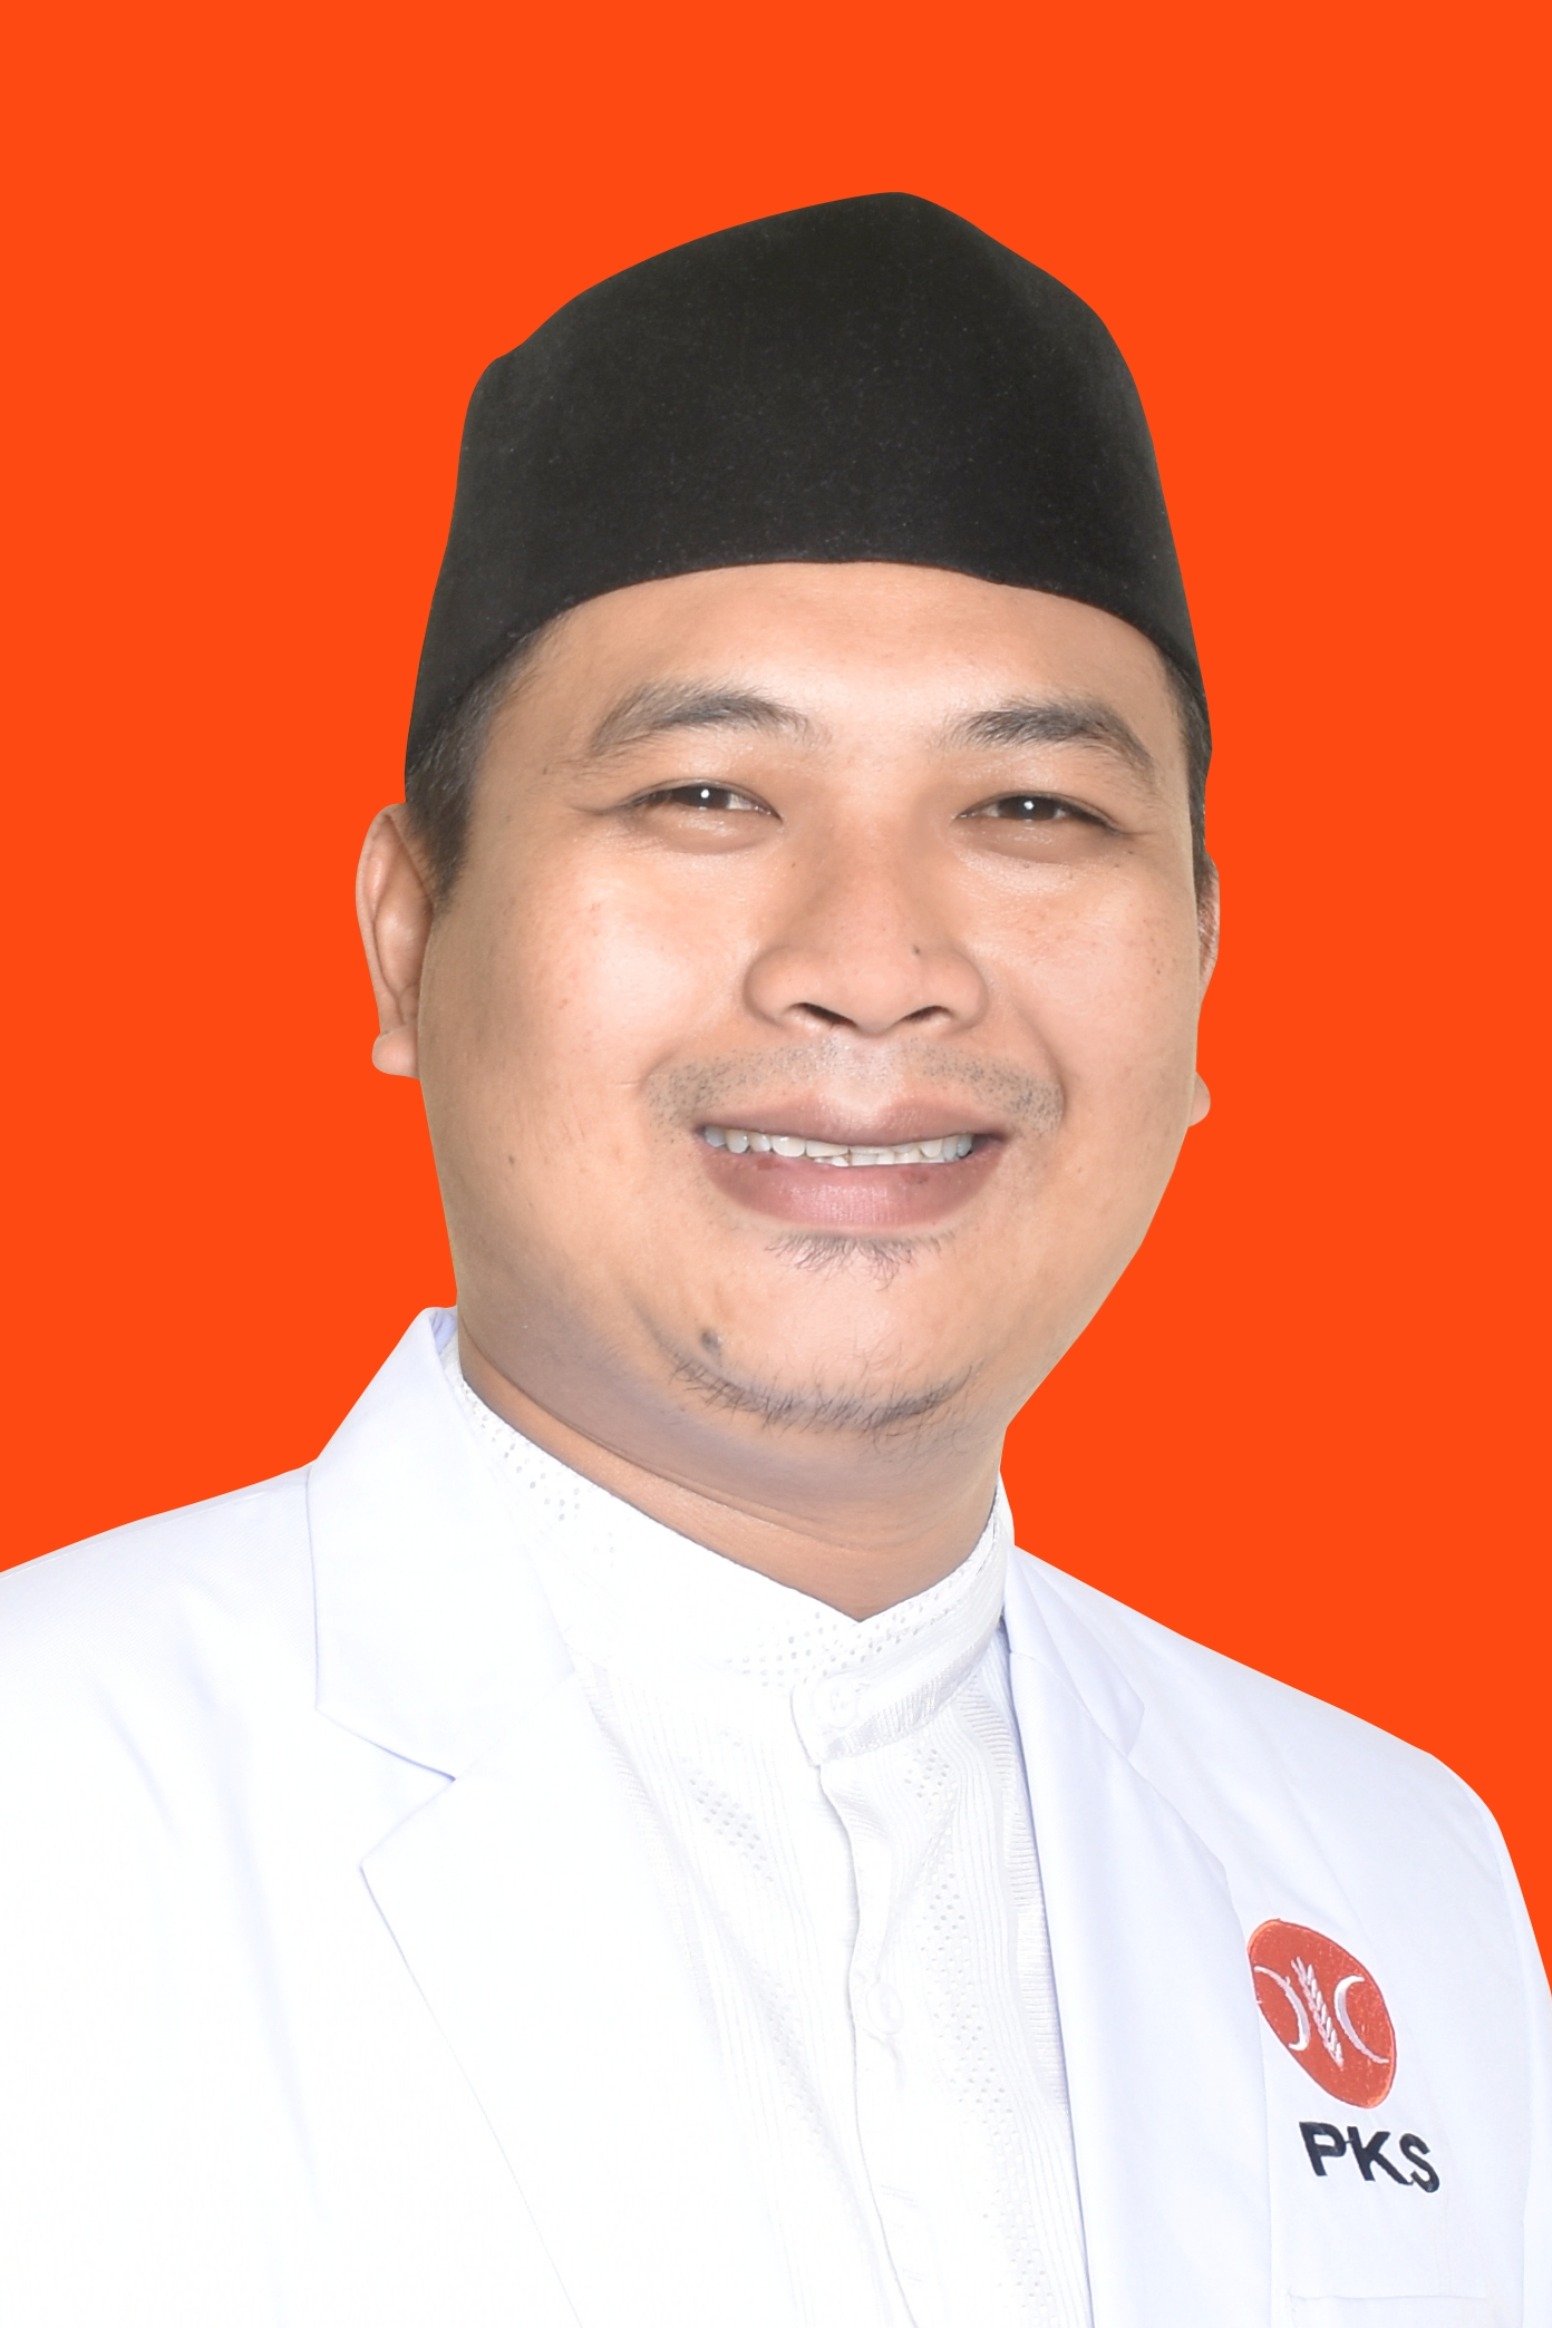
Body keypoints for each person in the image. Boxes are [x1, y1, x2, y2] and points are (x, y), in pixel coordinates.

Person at [0, 194, 1545, 2328]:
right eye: (709, 795)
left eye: (1032, 812)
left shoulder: (1397, 1879)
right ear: (409, 933)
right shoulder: (50, 1803)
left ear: (1199, 959)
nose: (875, 964)